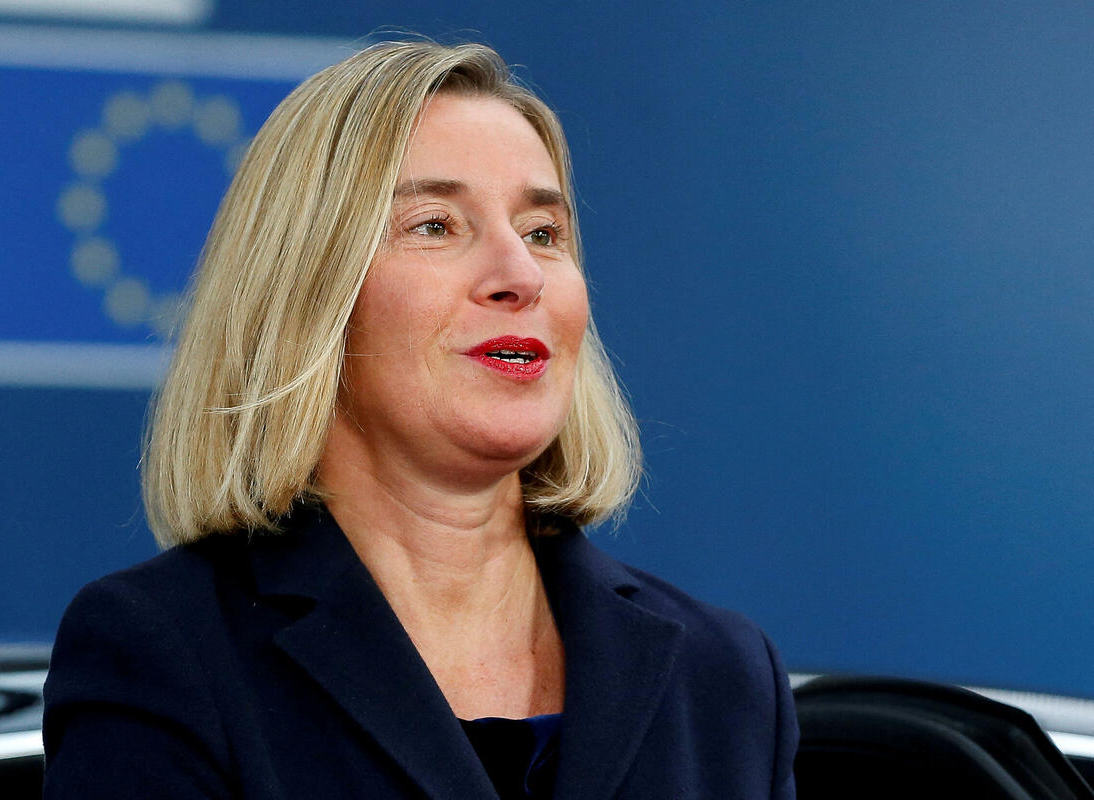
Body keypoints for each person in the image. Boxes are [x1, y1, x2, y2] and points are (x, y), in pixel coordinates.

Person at [42, 40, 798, 799]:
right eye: (435, 225)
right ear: (307, 296)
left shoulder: (724, 678)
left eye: (542, 232)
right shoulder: (165, 652)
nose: (520, 275)